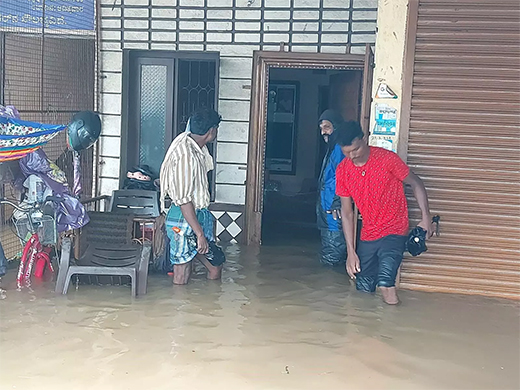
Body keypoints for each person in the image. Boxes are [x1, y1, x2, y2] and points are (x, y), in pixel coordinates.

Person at [335, 121, 433, 305]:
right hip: (368, 235)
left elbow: (416, 182)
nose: (351, 156)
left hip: (394, 230)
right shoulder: (343, 170)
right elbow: (347, 213)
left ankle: (392, 330)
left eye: (355, 149)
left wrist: (426, 217)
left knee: (386, 284)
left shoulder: (387, 159)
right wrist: (351, 251)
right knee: (363, 288)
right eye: (346, 152)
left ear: (365, 139)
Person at [160, 109, 225, 285]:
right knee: (182, 270)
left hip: (197, 215)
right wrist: (199, 234)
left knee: (214, 266)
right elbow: (183, 199)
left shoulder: (197, 148)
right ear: (212, 130)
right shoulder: (185, 154)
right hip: (183, 217)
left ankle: (202, 309)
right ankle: (181, 310)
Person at [316, 109, 347, 267]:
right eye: (321, 128)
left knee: (331, 262)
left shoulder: (341, 149)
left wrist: (337, 202)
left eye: (327, 127)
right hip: (328, 215)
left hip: (334, 217)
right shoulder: (333, 149)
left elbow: (345, 177)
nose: (323, 132)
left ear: (336, 126)